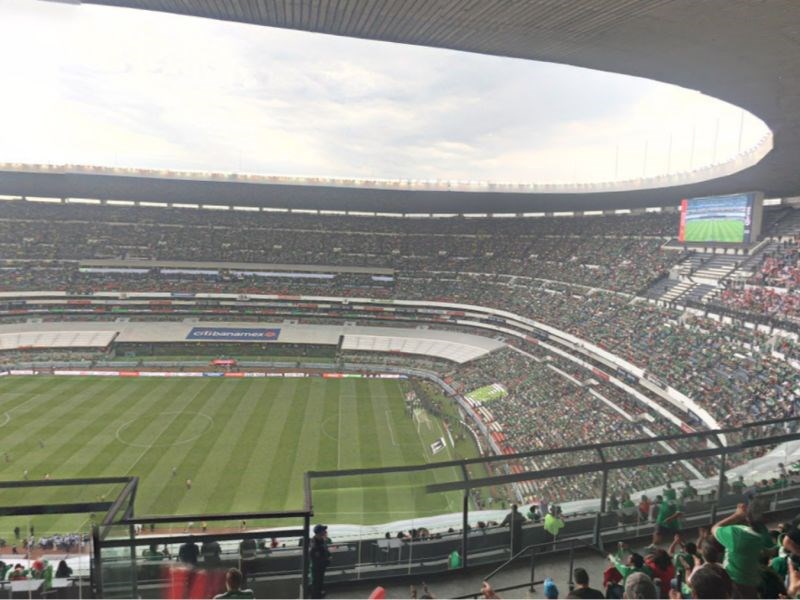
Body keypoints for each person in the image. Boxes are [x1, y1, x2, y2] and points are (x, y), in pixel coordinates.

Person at [712, 502, 773, 598]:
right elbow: (769, 551)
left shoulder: (737, 534)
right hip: (754, 581)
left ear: (748, 518)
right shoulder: (766, 537)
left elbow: (714, 529)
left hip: (734, 581)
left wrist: (737, 515)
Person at [309, 524, 331, 599]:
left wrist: (328, 556)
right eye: (323, 530)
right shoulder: (314, 541)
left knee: (320, 582)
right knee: (316, 583)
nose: (325, 531)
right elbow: (315, 554)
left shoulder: (321, 540)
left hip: (321, 566)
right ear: (319, 532)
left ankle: (319, 595)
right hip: (316, 567)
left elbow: (325, 550)